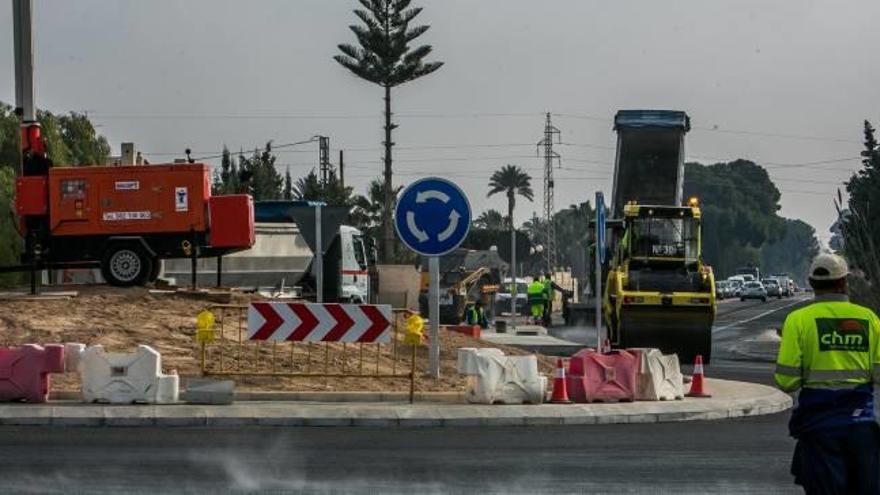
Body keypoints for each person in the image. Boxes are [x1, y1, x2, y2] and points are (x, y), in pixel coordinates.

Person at [774, 253, 880, 494]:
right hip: (861, 427)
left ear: (811, 283)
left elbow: (786, 380)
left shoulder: (798, 320)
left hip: (819, 429)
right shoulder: (869, 319)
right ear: (844, 282)